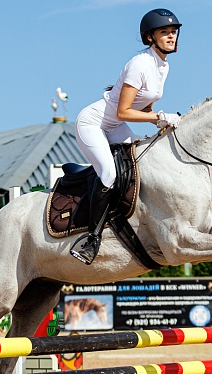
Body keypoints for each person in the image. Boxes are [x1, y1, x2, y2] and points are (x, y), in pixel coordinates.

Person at [70, 8, 183, 265]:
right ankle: (91, 239)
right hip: (94, 124)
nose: (171, 36)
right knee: (109, 174)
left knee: (140, 166)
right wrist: (158, 117)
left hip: (115, 125)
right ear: (150, 38)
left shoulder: (162, 66)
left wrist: (159, 121)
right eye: (164, 32)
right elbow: (123, 111)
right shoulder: (140, 64)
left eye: (173, 32)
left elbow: (144, 104)